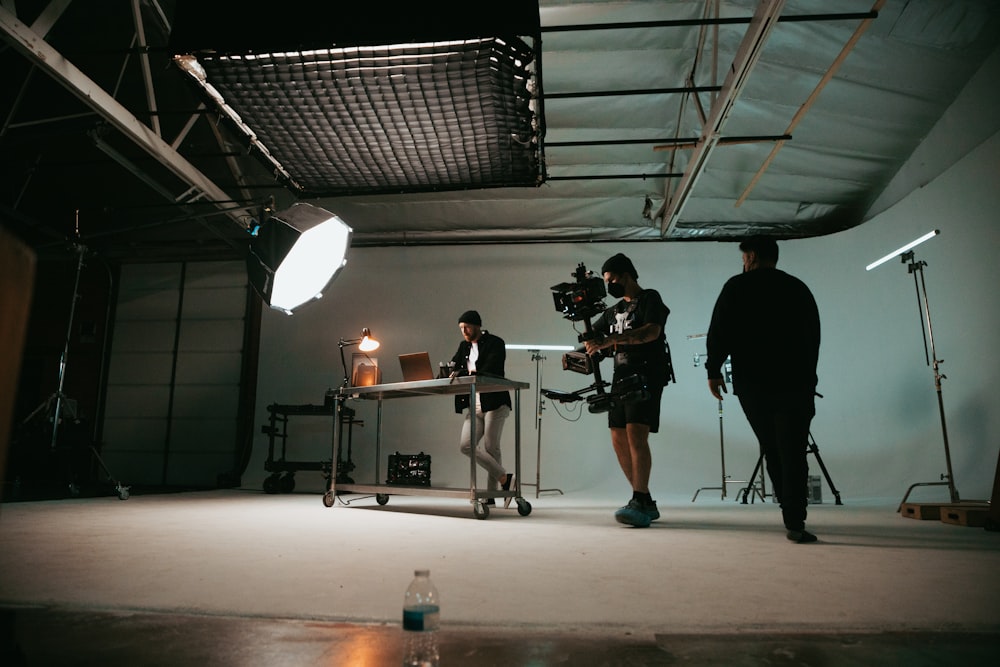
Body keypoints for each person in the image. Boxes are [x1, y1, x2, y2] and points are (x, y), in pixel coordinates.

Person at [705, 236, 821, 543]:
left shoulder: (736, 287)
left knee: (772, 447)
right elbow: (813, 337)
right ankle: (795, 519)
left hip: (753, 385)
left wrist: (713, 371)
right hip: (795, 384)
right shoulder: (797, 288)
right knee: (793, 450)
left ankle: (788, 507)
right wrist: (809, 379)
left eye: (744, 257)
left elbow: (720, 331)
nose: (743, 263)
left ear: (752, 256)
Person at [584, 253, 673, 528]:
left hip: (646, 374)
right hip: (620, 379)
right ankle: (643, 499)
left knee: (636, 432)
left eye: (611, 279)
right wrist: (581, 354)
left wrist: (610, 340)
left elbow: (651, 332)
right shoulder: (611, 312)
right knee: (617, 436)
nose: (609, 285)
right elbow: (594, 340)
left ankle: (639, 498)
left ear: (626, 275)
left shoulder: (649, 299)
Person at [451, 310, 515, 508]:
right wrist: (450, 370)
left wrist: (463, 371)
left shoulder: (496, 342)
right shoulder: (464, 346)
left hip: (495, 402)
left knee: (490, 447)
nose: (464, 331)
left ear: (477, 325)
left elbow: (490, 369)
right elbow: (453, 365)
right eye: (461, 328)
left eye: (467, 327)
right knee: (465, 445)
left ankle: (490, 495)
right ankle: (506, 479)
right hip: (474, 403)